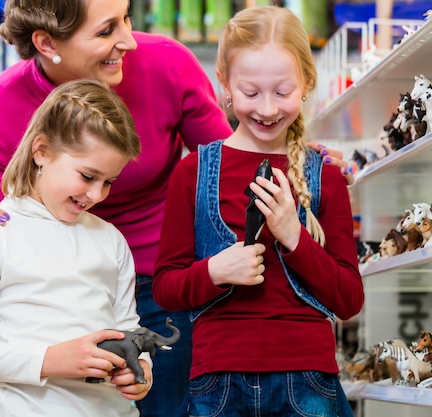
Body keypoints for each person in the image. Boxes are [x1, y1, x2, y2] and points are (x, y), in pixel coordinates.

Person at [0, 1, 352, 415]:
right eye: (107, 30)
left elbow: (234, 160)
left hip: (164, 290)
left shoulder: (166, 64)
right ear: (47, 42)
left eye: (126, 17)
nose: (128, 40)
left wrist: (300, 162)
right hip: (60, 296)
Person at [151, 6, 365, 417]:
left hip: (308, 379)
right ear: (225, 86)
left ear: (306, 83)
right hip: (217, 380)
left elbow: (348, 299)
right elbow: (165, 287)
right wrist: (214, 271)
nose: (267, 109)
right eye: (251, 93)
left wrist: (293, 237)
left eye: (282, 92)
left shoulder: (327, 176)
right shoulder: (192, 172)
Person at [0, 79, 149, 417]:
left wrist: (140, 368)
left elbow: (128, 329)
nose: (97, 195)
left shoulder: (111, 239)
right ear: (42, 151)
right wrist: (51, 360)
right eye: (87, 176)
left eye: (108, 182)